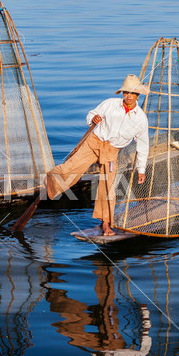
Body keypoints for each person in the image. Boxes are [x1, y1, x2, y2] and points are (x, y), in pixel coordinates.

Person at [46, 74, 149, 236]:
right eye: (126, 92)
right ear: (123, 93)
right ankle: (51, 181)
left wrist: (141, 169)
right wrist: (92, 119)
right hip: (93, 142)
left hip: (111, 152)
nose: (128, 96)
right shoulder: (110, 104)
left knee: (107, 187)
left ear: (138, 95)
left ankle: (106, 224)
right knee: (71, 168)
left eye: (132, 93)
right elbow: (91, 114)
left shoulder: (141, 118)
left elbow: (143, 144)